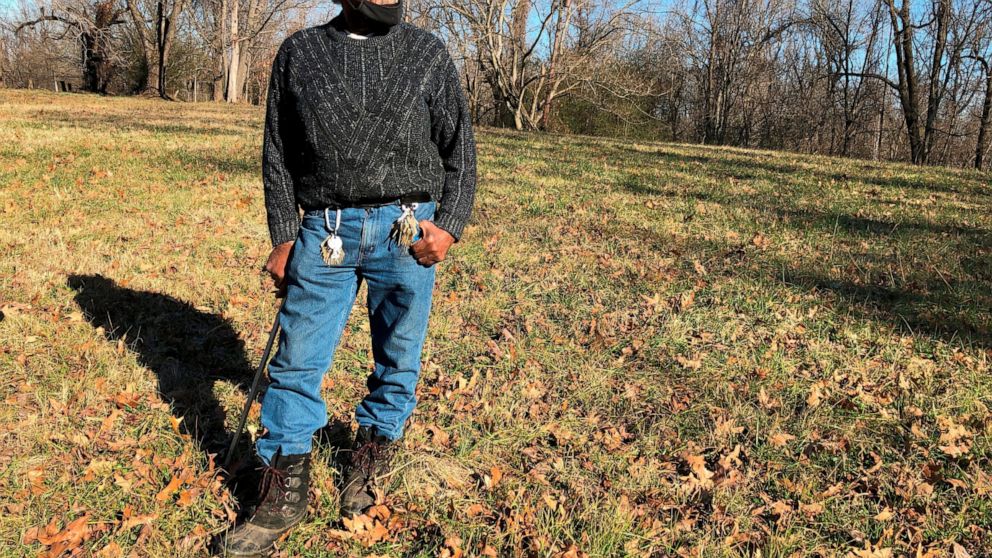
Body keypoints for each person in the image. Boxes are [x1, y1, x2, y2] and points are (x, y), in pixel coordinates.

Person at [217, 0, 477, 555]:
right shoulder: (301, 53)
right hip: (324, 230)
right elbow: (277, 152)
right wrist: (283, 235)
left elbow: (460, 148)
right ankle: (283, 484)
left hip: (407, 229)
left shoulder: (426, 52)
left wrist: (450, 227)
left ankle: (373, 454)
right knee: (295, 360)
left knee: (399, 356)